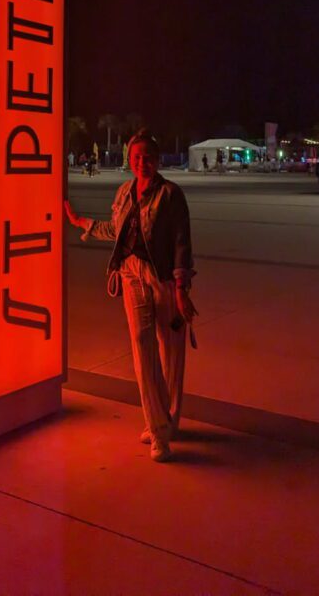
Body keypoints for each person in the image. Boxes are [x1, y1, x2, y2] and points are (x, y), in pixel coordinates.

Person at [64, 129, 197, 462]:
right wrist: (82, 222)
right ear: (130, 159)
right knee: (142, 343)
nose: (142, 163)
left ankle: (169, 419)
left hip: (163, 277)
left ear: (158, 159)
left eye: (148, 157)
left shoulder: (171, 194)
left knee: (171, 350)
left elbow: (182, 243)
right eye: (136, 157)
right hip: (130, 272)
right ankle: (158, 429)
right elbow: (116, 229)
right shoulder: (124, 191)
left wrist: (181, 288)